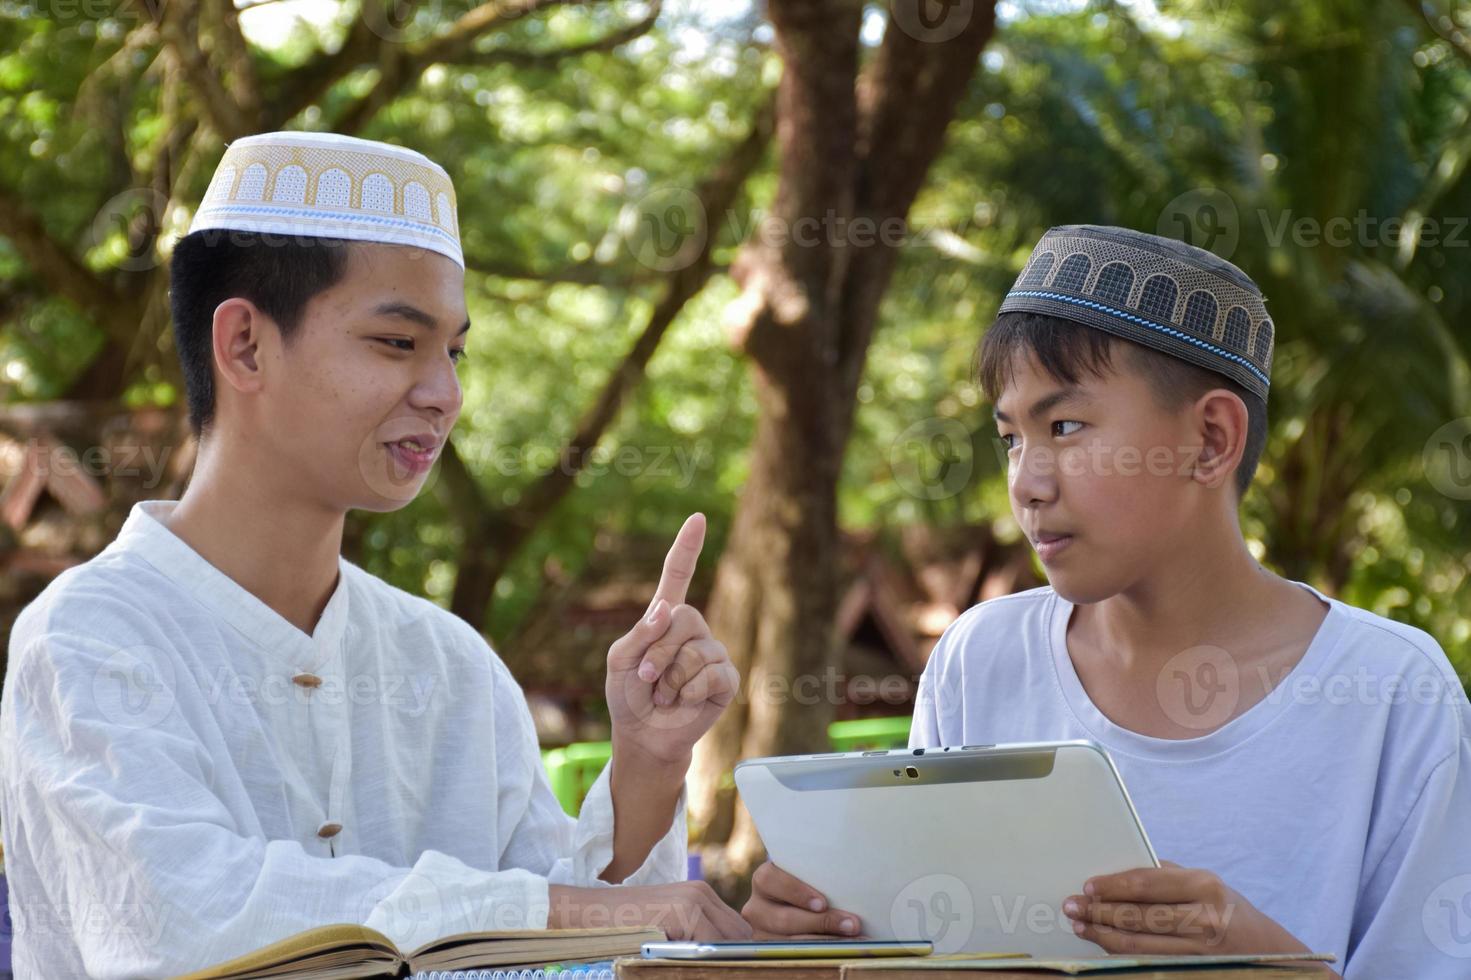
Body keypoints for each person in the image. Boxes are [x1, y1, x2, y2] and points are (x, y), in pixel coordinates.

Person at [0, 131, 748, 979]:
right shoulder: (91, 638)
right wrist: (556, 911)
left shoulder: (450, 662)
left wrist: (646, 767)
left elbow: (572, 947)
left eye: (454, 351)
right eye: (399, 343)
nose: (445, 394)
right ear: (245, 345)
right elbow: (180, 919)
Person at [741, 225, 1471, 977]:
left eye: (1063, 426)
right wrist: (830, 930)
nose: (1026, 482)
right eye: (1010, 438)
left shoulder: (1390, 692)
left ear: (1211, 440)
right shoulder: (982, 659)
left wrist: (1268, 966)